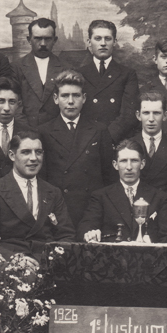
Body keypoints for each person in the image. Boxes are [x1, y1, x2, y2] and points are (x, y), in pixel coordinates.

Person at [0, 131, 76, 262]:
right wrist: (16, 260)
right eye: (26, 152)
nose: (34, 158)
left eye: (38, 152)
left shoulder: (53, 192)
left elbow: (66, 235)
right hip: (12, 262)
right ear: (12, 155)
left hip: (49, 260)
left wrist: (53, 258)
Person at [37, 70, 114, 226]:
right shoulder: (44, 132)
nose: (71, 101)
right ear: (56, 99)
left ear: (84, 98)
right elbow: (42, 179)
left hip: (91, 210)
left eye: (76, 95)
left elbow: (109, 176)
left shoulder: (99, 130)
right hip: (59, 210)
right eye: (65, 96)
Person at [78, 139, 167, 243]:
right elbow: (86, 226)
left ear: (142, 164)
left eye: (134, 161)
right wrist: (89, 233)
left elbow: (166, 236)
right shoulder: (101, 196)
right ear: (115, 165)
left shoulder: (159, 197)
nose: (129, 167)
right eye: (123, 161)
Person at [78, 20, 139, 143]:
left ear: (114, 42)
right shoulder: (79, 74)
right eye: (98, 38)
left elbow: (128, 114)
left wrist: (106, 139)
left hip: (116, 140)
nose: (103, 43)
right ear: (89, 42)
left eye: (108, 39)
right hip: (86, 141)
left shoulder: (127, 74)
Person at [132, 91, 167, 214]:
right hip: (137, 212)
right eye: (146, 113)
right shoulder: (129, 147)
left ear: (165, 115)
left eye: (156, 113)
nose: (151, 119)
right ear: (138, 115)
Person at [13, 18, 69, 128]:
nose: (43, 44)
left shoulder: (66, 68)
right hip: (25, 131)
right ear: (29, 40)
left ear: (55, 40)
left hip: (57, 131)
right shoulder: (16, 68)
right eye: (38, 38)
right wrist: (28, 131)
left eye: (47, 39)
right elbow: (14, 104)